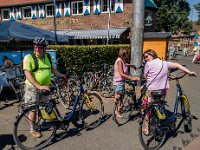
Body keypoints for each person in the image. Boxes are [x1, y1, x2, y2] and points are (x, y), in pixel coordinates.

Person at [142, 49, 196, 135]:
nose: (145, 59)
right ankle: (160, 122)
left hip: (151, 91)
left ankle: (146, 127)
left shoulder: (148, 64)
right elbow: (177, 65)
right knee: (159, 106)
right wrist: (189, 72)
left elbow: (145, 76)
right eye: (144, 57)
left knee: (147, 108)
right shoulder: (165, 63)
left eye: (146, 56)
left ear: (152, 54)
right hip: (162, 90)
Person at [23, 37, 66, 138]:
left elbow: (52, 69)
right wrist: (39, 86)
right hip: (32, 88)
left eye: (40, 47)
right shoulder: (28, 57)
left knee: (44, 107)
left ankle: (43, 123)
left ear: (45, 48)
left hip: (45, 88)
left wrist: (61, 75)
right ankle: (32, 129)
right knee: (33, 110)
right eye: (35, 47)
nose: (37, 49)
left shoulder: (47, 57)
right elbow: (27, 74)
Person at [113, 47, 140, 118]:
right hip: (119, 82)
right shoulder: (119, 61)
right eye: (127, 53)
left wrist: (131, 65)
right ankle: (117, 112)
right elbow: (121, 73)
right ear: (124, 54)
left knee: (121, 97)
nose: (128, 55)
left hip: (121, 82)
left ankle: (117, 106)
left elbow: (125, 65)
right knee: (120, 99)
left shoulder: (122, 60)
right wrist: (132, 78)